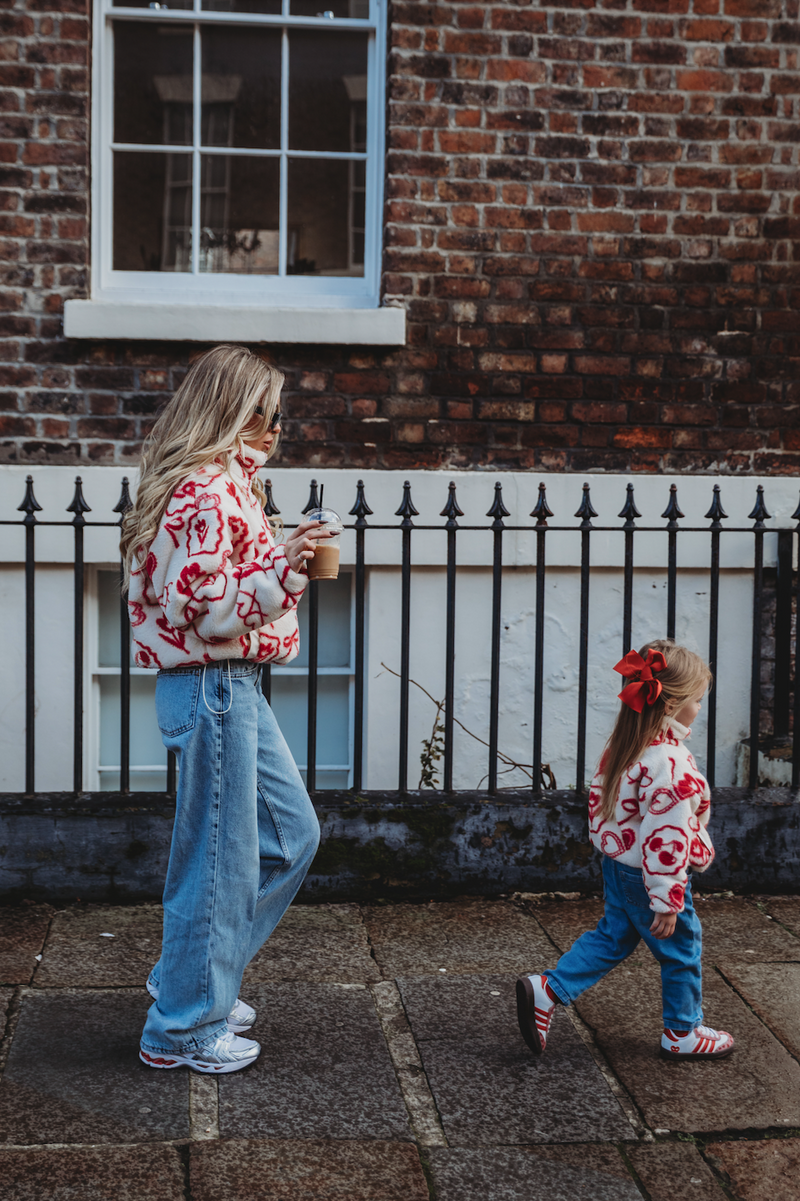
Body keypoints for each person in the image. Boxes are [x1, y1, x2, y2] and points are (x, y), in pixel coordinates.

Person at [120, 344, 326, 1074]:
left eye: (278, 415)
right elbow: (207, 610)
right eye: (259, 411)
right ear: (225, 407)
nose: (273, 428)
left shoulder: (226, 485)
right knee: (218, 862)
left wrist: (281, 558)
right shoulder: (207, 490)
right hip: (215, 681)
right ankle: (180, 1027)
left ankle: (191, 980)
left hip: (228, 684)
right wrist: (286, 570)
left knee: (291, 836)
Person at [517, 639, 735, 1062]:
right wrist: (667, 900)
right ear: (671, 705)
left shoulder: (626, 744)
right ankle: (682, 1032)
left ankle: (547, 991)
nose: (699, 709)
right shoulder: (670, 766)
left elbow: (607, 809)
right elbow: (667, 839)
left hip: (620, 864)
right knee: (683, 949)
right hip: (652, 875)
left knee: (615, 935)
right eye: (697, 700)